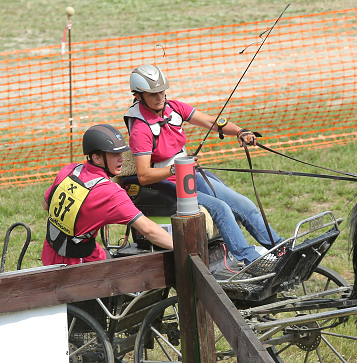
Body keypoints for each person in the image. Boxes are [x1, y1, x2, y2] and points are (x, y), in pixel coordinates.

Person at [123, 63, 282, 266]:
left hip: (188, 175)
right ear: (138, 96)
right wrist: (174, 169)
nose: (160, 97)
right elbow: (144, 176)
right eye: (153, 94)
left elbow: (210, 122)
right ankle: (250, 260)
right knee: (221, 209)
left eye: (162, 92)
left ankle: (282, 249)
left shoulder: (174, 108)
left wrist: (240, 131)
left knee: (244, 204)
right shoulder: (140, 129)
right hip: (166, 184)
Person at [41, 124, 174, 265]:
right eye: (115, 155)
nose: (122, 159)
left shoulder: (69, 170)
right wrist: (182, 247)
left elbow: (45, 205)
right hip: (76, 265)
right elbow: (149, 230)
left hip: (50, 253)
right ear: (96, 158)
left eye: (121, 154)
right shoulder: (110, 193)